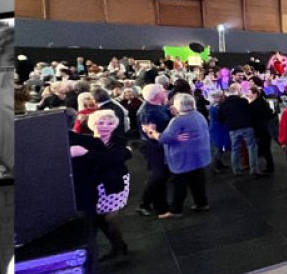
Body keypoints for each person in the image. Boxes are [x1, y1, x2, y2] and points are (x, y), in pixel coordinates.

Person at [70, 110, 132, 260]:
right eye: (100, 122)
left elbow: (112, 159)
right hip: (98, 184)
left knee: (109, 219)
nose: (105, 126)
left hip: (115, 184)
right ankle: (119, 246)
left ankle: (119, 248)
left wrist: (84, 154)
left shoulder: (118, 141)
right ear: (92, 124)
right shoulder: (88, 141)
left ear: (115, 126)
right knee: (100, 218)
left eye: (110, 123)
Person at [143, 93, 212, 218]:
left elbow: (164, 138)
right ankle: (202, 203)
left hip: (183, 158)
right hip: (199, 155)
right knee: (197, 181)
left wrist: (153, 132)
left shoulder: (178, 121)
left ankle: (176, 210)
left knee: (179, 185)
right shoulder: (198, 115)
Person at [136, 84, 172, 216]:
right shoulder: (147, 112)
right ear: (157, 95)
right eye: (163, 91)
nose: (165, 92)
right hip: (153, 146)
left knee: (161, 175)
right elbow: (151, 133)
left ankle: (155, 205)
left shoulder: (157, 106)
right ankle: (151, 205)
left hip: (158, 145)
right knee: (158, 176)